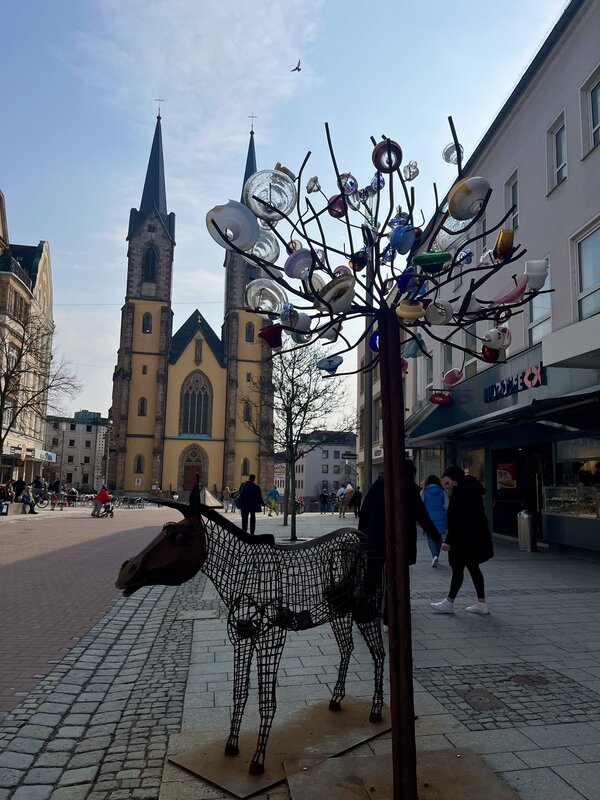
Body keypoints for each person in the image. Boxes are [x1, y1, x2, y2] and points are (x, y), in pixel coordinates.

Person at [431, 465, 494, 615]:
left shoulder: (461, 494)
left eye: (447, 483)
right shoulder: (470, 491)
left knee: (458, 569)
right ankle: (480, 602)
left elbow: (458, 520)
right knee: (471, 568)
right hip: (473, 539)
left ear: (454, 480)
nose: (446, 487)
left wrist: (449, 541)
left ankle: (450, 602)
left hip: (463, 541)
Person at [422, 475, 447, 567]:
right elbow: (446, 505)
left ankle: (434, 556)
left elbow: (421, 504)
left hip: (428, 517)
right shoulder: (442, 491)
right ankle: (437, 555)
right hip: (440, 516)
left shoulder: (425, 492)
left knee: (430, 537)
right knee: (439, 537)